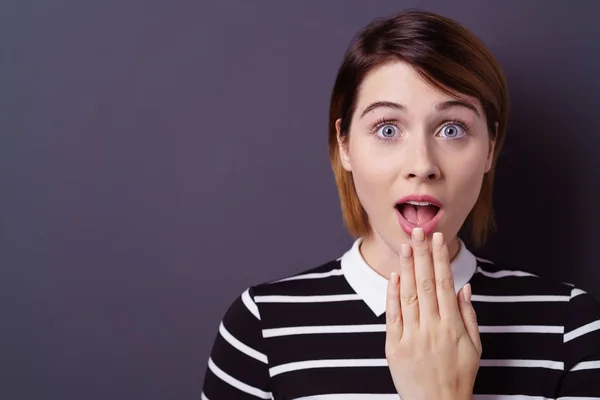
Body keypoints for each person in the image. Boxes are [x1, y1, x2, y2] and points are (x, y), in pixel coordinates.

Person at [201, 9, 600, 400]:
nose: (422, 165)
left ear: (490, 148)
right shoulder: (262, 329)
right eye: (387, 129)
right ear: (345, 145)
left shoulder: (571, 326)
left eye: (452, 128)